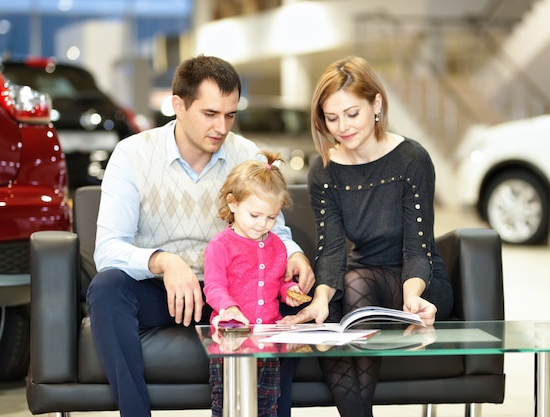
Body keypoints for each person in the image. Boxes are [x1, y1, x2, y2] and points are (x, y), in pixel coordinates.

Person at [85, 54, 314, 417]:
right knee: (107, 289)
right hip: (163, 289)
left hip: (233, 288)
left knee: (285, 298)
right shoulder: (132, 154)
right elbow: (108, 250)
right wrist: (164, 261)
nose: (222, 127)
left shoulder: (246, 153)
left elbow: (275, 232)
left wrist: (294, 254)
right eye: (210, 114)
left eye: (230, 115)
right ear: (178, 104)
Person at [278, 55, 454, 417]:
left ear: (376, 104)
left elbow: (418, 246)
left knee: (356, 284)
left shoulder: (411, 159)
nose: (342, 126)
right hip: (362, 279)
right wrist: (322, 298)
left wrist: (412, 298)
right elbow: (330, 248)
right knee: (328, 313)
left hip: (418, 281)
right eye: (332, 117)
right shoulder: (324, 171)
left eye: (352, 113)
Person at [204, 150, 309, 417]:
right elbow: (214, 287)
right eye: (255, 215)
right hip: (232, 342)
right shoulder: (220, 245)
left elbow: (277, 284)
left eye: (271, 218)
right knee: (227, 405)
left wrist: (290, 292)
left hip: (268, 341)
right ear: (233, 203)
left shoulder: (277, 246)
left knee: (267, 406)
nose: (263, 224)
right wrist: (229, 308)